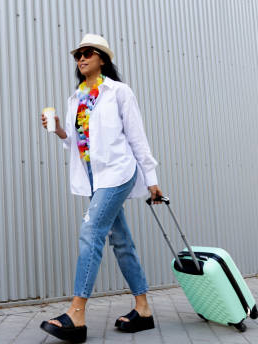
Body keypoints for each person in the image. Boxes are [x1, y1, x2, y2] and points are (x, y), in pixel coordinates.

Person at [39, 33, 164, 343]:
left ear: (103, 59)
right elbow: (75, 141)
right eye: (78, 54)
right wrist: (57, 130)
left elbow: (137, 137)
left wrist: (152, 180)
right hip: (95, 177)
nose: (81, 58)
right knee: (120, 241)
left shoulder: (118, 92)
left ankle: (76, 315)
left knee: (91, 232)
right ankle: (144, 308)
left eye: (88, 53)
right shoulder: (76, 98)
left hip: (119, 173)